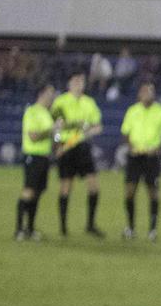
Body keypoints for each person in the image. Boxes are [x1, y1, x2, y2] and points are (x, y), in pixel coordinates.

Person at [118, 81, 161, 240]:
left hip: (152, 157)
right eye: (144, 91)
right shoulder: (132, 111)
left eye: (150, 91)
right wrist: (131, 147)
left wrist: (160, 144)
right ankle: (130, 228)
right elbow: (126, 132)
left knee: (153, 192)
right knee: (130, 191)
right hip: (135, 156)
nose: (147, 94)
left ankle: (152, 230)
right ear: (139, 94)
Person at [51, 71, 105, 237]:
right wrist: (58, 144)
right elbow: (56, 128)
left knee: (93, 186)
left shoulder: (89, 102)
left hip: (82, 147)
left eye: (80, 81)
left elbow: (97, 126)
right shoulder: (60, 102)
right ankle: (63, 227)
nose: (77, 83)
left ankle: (90, 224)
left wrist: (87, 132)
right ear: (69, 83)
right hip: (66, 148)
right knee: (66, 187)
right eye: (74, 80)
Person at [13, 82, 57, 241]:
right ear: (42, 93)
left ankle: (30, 229)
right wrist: (52, 131)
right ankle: (18, 229)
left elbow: (53, 136)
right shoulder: (32, 112)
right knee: (28, 191)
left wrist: (57, 137)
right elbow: (33, 136)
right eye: (51, 93)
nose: (53, 96)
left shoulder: (47, 113)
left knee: (37, 193)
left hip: (44, 157)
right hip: (33, 156)